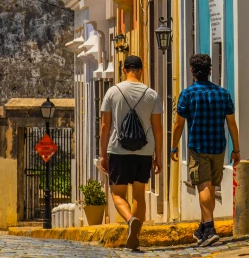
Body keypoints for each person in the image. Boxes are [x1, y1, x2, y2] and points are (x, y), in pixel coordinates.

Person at [171, 53, 240, 247]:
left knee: (203, 186)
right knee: (210, 187)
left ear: (192, 71)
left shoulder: (188, 94)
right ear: (210, 71)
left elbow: (178, 124)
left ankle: (209, 228)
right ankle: (203, 227)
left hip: (198, 147)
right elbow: (232, 123)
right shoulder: (223, 94)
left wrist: (173, 146)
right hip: (218, 147)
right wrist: (236, 149)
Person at [100, 55, 163, 251]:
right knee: (139, 195)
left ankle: (130, 220)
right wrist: (158, 155)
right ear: (142, 70)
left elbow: (105, 125)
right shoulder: (151, 94)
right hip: (144, 151)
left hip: (119, 150)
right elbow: (158, 128)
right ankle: (135, 234)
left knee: (117, 194)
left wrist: (103, 154)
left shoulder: (113, 92)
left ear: (123, 69)